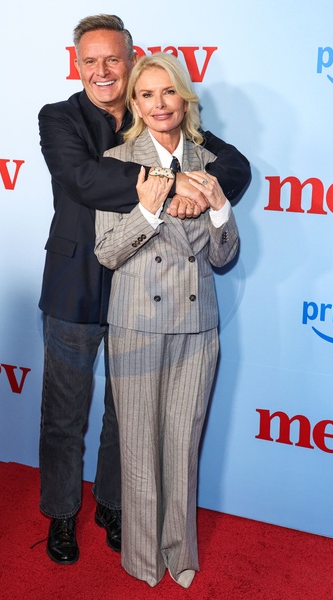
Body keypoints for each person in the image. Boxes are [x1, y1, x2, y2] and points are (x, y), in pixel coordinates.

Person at [38, 14, 250, 566]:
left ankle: (114, 506)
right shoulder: (59, 117)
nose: (102, 70)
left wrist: (202, 191)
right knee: (65, 413)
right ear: (77, 65)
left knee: (123, 416)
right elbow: (85, 180)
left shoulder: (154, 109)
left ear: (131, 61)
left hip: (145, 291)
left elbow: (234, 165)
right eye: (91, 61)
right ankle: (61, 514)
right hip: (76, 285)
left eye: (113, 59)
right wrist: (172, 182)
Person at [94, 52, 240, 588]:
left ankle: (180, 554)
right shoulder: (117, 161)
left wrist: (220, 209)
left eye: (168, 92)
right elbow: (107, 252)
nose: (159, 104)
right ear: (135, 104)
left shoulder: (209, 162)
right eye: (147, 94)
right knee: (138, 446)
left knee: (183, 445)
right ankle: (141, 558)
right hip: (135, 323)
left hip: (197, 326)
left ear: (184, 99)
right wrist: (148, 210)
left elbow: (223, 257)